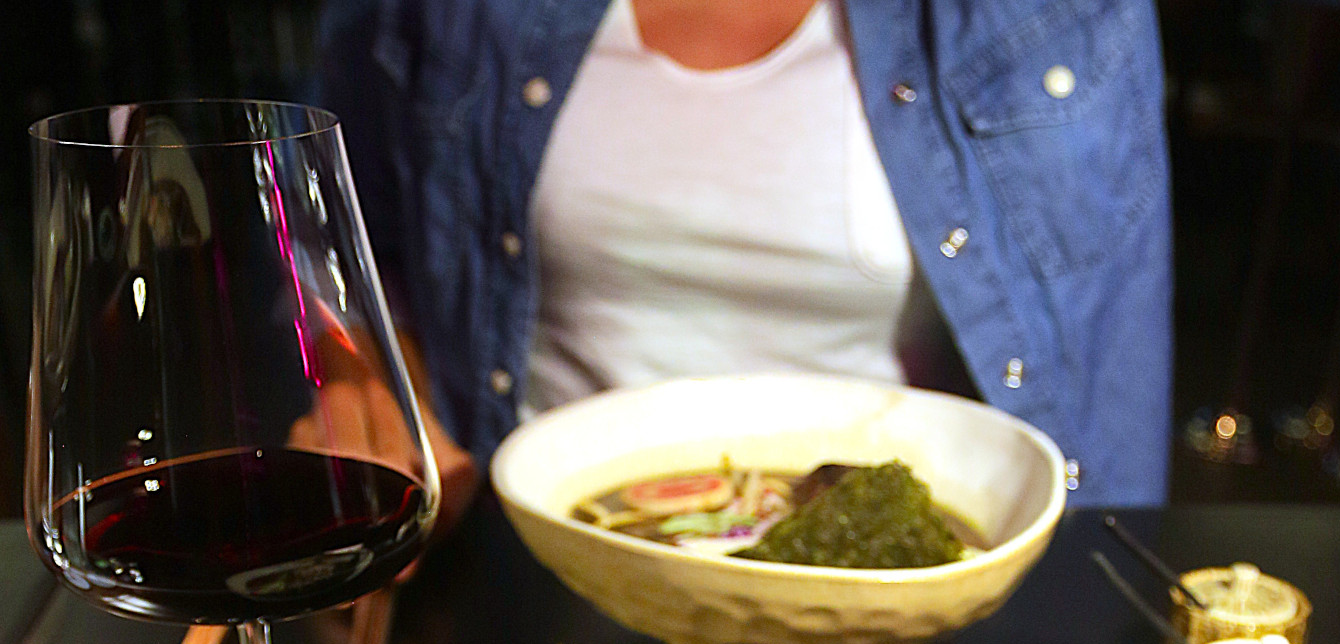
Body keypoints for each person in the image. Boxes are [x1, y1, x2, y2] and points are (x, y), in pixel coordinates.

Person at [316, 0, 1173, 523]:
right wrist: (364, 384)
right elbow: (336, 238)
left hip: (896, 580)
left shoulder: (1046, 19)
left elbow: (1105, 358)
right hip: (546, 569)